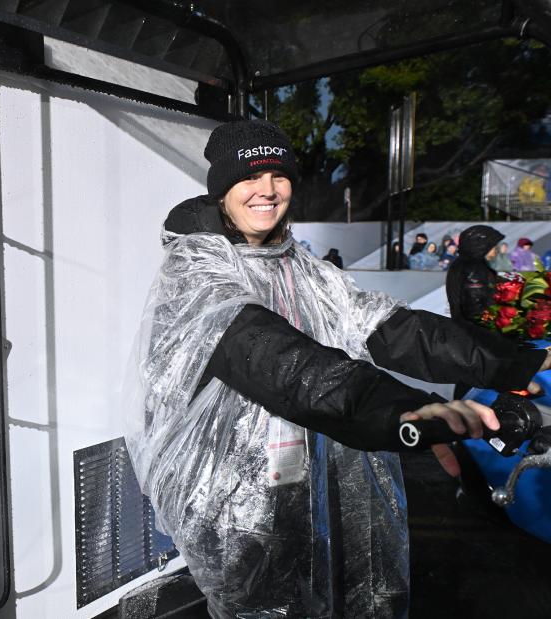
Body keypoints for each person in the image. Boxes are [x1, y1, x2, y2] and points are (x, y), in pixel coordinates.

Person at [123, 119, 549, 619]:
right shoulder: (196, 267)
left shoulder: (301, 267)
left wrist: (525, 360)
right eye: (248, 178)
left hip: (313, 472)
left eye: (278, 175)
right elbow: (271, 358)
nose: (266, 190)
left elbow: (394, 329)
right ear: (222, 190)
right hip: (237, 497)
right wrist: (401, 412)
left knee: (344, 597)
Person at [446, 225, 506, 399]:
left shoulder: (462, 265)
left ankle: (462, 409)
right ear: (480, 246)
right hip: (477, 335)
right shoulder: (474, 268)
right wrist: (498, 326)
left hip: (467, 333)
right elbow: (475, 308)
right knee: (476, 376)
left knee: (468, 377)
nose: (495, 251)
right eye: (492, 246)